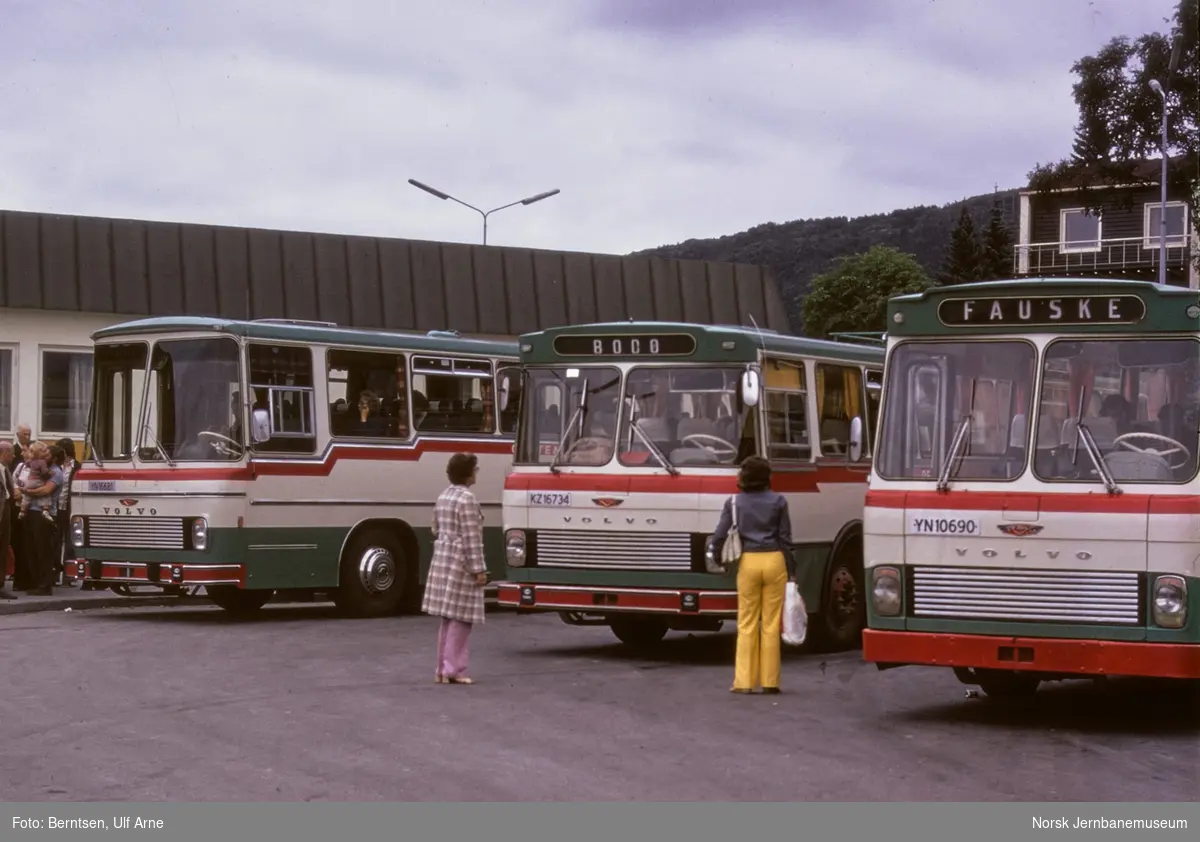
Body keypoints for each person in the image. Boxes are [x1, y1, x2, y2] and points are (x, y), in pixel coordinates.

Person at [709, 455, 795, 695]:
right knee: (770, 623)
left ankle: (744, 682)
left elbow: (719, 535)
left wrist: (716, 557)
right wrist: (792, 570)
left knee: (746, 622)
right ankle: (770, 682)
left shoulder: (734, 503)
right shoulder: (779, 501)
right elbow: (786, 539)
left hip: (749, 561)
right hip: (775, 560)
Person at [422, 452, 488, 685]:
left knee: (448, 618)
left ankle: (441, 669)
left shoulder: (444, 496)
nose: (476, 473)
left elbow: (434, 528)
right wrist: (479, 569)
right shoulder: (467, 499)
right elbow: (472, 537)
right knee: (461, 619)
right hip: (461, 564)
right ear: (468, 473)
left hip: (443, 559)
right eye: (475, 469)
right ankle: (455, 669)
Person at [19, 441, 64, 596]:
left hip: (44, 514)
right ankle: (36, 582)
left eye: (48, 455)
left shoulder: (56, 473)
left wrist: (27, 492)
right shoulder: (40, 468)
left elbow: (46, 490)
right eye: (44, 453)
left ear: (55, 458)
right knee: (31, 549)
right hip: (32, 511)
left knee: (43, 550)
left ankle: (45, 585)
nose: (45, 456)